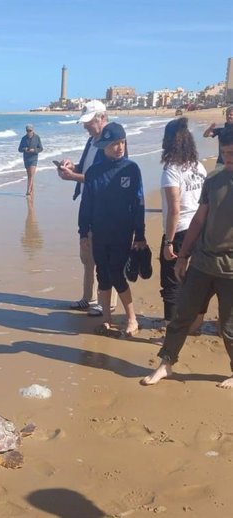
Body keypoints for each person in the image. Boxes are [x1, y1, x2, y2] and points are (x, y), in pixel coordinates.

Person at [141, 128, 233, 388]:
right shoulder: (214, 180)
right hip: (203, 263)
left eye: (232, 154)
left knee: (228, 327)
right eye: (225, 153)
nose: (228, 159)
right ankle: (166, 364)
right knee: (182, 315)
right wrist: (182, 256)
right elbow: (198, 219)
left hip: (230, 270)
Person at [77, 122, 146, 337]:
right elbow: (86, 203)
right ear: (104, 146)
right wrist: (83, 231)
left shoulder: (131, 169)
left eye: (122, 142)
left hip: (123, 233)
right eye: (115, 143)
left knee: (117, 274)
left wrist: (140, 235)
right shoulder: (94, 172)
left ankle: (132, 319)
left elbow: (139, 203)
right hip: (99, 232)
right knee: (103, 275)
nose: (120, 147)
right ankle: (106, 319)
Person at [57, 100, 119, 317]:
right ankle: (89, 297)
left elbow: (105, 178)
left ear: (101, 118)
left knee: (105, 256)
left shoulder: (113, 142)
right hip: (88, 205)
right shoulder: (92, 141)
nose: (85, 127)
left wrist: (74, 177)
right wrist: (71, 166)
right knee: (87, 254)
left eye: (88, 122)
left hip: (105, 208)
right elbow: (87, 169)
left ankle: (107, 303)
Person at [157, 117, 208, 334]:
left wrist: (168, 242)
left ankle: (172, 324)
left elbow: (175, 209)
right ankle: (195, 325)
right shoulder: (199, 167)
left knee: (172, 280)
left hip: (180, 230)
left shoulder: (172, 170)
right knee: (196, 280)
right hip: (202, 228)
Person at [203, 105, 233, 175]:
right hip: (221, 162)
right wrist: (210, 128)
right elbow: (205, 135)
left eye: (231, 115)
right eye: (228, 115)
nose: (229, 116)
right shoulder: (221, 130)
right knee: (217, 181)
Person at [18, 124, 43, 196]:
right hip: (26, 159)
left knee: (31, 175)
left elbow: (41, 148)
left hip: (34, 158)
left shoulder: (37, 137)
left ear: (33, 130)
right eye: (27, 131)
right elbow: (19, 149)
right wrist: (25, 149)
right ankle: (32, 189)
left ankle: (28, 190)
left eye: (30, 131)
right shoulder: (23, 138)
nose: (28, 132)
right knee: (29, 175)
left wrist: (34, 150)